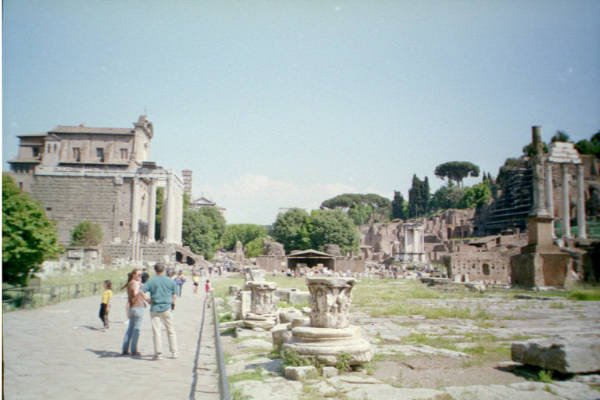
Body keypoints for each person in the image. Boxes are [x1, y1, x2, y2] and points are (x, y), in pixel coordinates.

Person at [143, 263, 178, 360]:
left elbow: (141, 291)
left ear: (155, 270)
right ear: (164, 270)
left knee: (157, 332)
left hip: (155, 308)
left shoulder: (151, 281)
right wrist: (172, 303)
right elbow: (175, 294)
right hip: (167, 308)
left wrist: (148, 300)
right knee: (171, 331)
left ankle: (158, 353)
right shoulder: (170, 281)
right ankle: (174, 352)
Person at [121, 269, 147, 356]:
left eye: (141, 275)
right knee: (136, 330)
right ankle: (134, 350)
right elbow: (136, 293)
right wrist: (139, 285)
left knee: (130, 329)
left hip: (132, 308)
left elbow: (140, 294)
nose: (140, 276)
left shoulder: (130, 283)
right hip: (137, 308)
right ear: (133, 275)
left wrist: (147, 300)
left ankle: (125, 349)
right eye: (139, 275)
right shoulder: (135, 283)